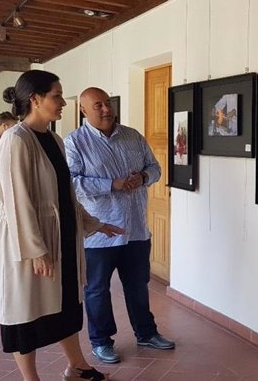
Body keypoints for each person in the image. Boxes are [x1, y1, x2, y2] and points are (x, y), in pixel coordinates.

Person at [0, 70, 124, 381]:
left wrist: (94, 224)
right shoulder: (16, 140)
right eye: (56, 95)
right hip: (29, 245)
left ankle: (77, 368)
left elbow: (65, 196)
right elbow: (16, 203)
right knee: (26, 314)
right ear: (35, 99)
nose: (62, 102)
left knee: (67, 306)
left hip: (62, 238)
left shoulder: (53, 138)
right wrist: (36, 250)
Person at [65, 87, 175, 365]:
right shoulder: (74, 143)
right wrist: (110, 184)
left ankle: (146, 333)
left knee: (138, 286)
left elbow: (156, 167)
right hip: (99, 233)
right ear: (83, 110)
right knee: (97, 290)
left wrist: (144, 177)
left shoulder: (133, 136)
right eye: (98, 105)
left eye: (108, 104)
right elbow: (72, 182)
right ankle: (101, 341)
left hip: (136, 229)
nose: (106, 109)